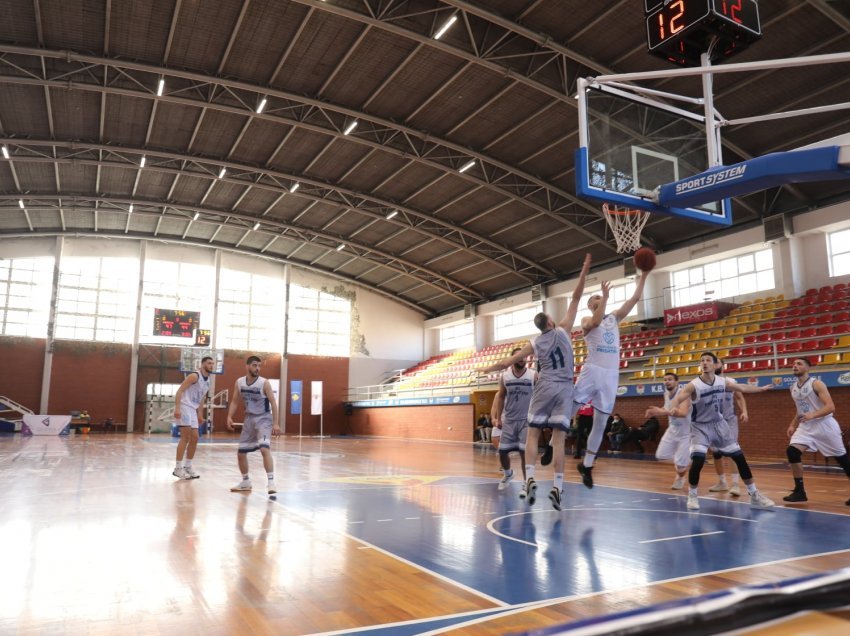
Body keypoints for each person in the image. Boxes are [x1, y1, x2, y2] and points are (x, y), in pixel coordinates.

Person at [480, 253, 592, 511]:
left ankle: (529, 477)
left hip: (544, 387)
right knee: (559, 439)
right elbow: (576, 298)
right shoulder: (563, 329)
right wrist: (584, 269)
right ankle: (559, 486)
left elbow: (506, 363)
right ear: (551, 322)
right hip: (565, 387)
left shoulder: (535, 342)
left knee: (532, 434)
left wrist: (485, 367)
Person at [646, 351, 775, 511]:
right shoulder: (694, 385)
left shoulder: (722, 382)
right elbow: (678, 398)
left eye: (708, 360)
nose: (704, 363)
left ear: (715, 365)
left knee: (740, 458)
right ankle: (692, 495)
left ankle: (754, 495)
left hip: (720, 425)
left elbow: (741, 387)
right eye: (702, 361)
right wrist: (672, 409)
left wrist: (761, 389)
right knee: (698, 460)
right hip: (700, 427)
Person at [572, 268, 650, 489]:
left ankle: (587, 466)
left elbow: (634, 299)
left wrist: (643, 275)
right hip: (592, 369)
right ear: (590, 304)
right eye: (595, 297)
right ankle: (551, 446)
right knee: (570, 410)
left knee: (600, 423)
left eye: (601, 296)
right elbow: (595, 323)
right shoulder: (586, 318)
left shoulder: (614, 317)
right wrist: (604, 299)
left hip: (611, 375)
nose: (600, 297)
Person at [783, 357, 850, 505]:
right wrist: (792, 424)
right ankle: (800, 492)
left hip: (824, 425)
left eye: (799, 364)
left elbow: (830, 407)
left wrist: (812, 415)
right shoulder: (792, 387)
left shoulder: (817, 384)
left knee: (842, 460)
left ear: (808, 368)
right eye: (793, 364)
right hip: (806, 427)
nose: (795, 366)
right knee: (792, 452)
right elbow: (800, 409)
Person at [227, 355, 281, 494]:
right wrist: (229, 416)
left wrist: (275, 423)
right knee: (241, 453)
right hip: (249, 419)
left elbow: (273, 403)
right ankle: (245, 482)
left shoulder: (264, 383)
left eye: (259, 366)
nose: (257, 368)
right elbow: (234, 401)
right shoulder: (239, 382)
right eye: (254, 365)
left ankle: (271, 483)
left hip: (264, 419)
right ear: (247, 366)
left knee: (264, 449)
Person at [490, 347, 537, 491]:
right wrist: (498, 418)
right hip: (509, 420)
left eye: (523, 356)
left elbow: (540, 395)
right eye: (518, 357)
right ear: (512, 359)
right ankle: (508, 473)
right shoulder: (505, 376)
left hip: (526, 420)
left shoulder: (533, 375)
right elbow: (501, 396)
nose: (522, 359)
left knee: (524, 453)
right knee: (503, 452)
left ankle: (526, 482)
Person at [708, 359, 748, 496]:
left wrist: (744, 411)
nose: (714, 365)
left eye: (716, 362)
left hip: (729, 420)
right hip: (713, 422)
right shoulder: (705, 383)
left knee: (732, 451)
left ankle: (735, 484)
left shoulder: (730, 381)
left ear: (722, 366)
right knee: (716, 453)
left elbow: (739, 397)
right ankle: (722, 483)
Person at [172, 355, 214, 479]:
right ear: (202, 365)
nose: (211, 365)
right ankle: (178, 468)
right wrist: (177, 408)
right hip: (184, 406)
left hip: (193, 410)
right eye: (209, 363)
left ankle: (188, 466)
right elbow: (179, 391)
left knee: (195, 438)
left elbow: (201, 400)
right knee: (185, 437)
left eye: (212, 363)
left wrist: (200, 415)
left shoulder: (208, 381)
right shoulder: (194, 376)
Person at [651, 372, 691, 489]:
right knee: (660, 455)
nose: (667, 381)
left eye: (670, 379)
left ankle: (680, 477)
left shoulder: (683, 394)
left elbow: (683, 413)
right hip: (672, 430)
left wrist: (662, 412)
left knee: (681, 467)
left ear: (677, 382)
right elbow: (666, 408)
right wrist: (657, 410)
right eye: (665, 379)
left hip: (686, 433)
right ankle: (685, 461)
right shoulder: (666, 394)